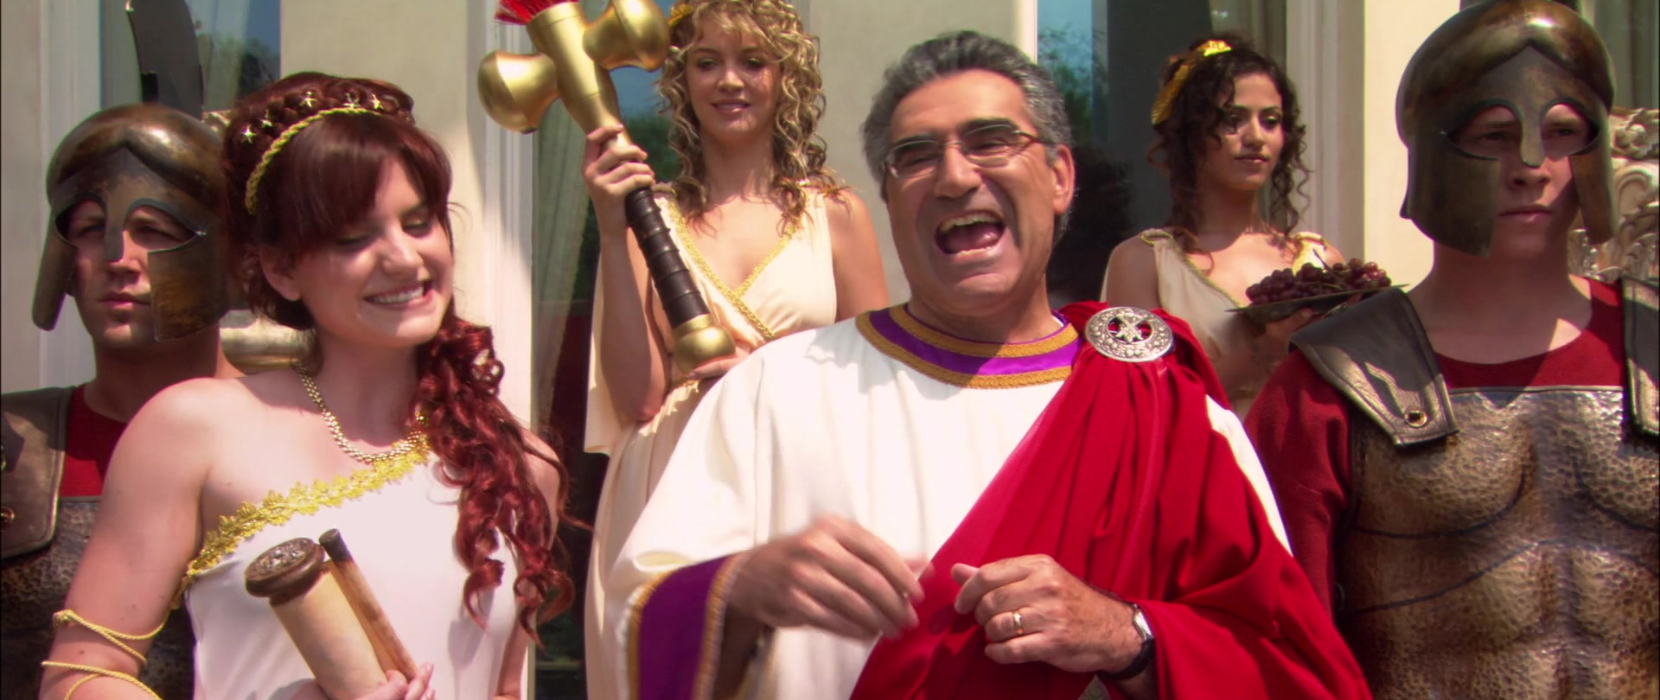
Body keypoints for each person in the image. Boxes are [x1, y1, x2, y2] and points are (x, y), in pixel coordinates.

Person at [597, 31, 1371, 700]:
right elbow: (635, 615)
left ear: (1060, 177)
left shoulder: (1159, 400)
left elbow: (1283, 659)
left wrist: (1127, 635)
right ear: (889, 199)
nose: (956, 176)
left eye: (991, 141)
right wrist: (740, 589)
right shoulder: (776, 388)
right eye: (915, 156)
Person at [39, 72, 577, 700]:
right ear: (281, 268)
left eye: (419, 223)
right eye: (353, 238)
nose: (403, 258)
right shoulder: (195, 430)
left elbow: (504, 688)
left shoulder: (519, 465)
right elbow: (81, 676)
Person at [1247, 2, 1657, 698]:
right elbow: (1279, 654)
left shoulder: (1651, 353)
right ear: (1434, 149)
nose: (1532, 167)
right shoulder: (1329, 389)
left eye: (1562, 132)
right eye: (1495, 135)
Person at [580, 1, 888, 696]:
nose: (729, 80)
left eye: (753, 61)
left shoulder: (837, 215)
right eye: (706, 62)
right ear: (682, 81)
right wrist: (609, 226)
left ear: (786, 77)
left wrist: (767, 380)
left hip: (794, 476)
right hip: (667, 482)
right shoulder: (646, 217)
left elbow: (875, 388)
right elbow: (636, 397)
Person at [0, 103, 241, 700]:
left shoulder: (297, 432)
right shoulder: (12, 447)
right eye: (89, 229)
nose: (119, 259)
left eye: (155, 230)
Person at [1103, 34, 1339, 416]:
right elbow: (1143, 406)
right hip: (1203, 453)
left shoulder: (1320, 262)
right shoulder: (1144, 262)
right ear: (1190, 135)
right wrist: (1262, 351)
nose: (1255, 137)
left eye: (1271, 121)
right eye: (1232, 120)